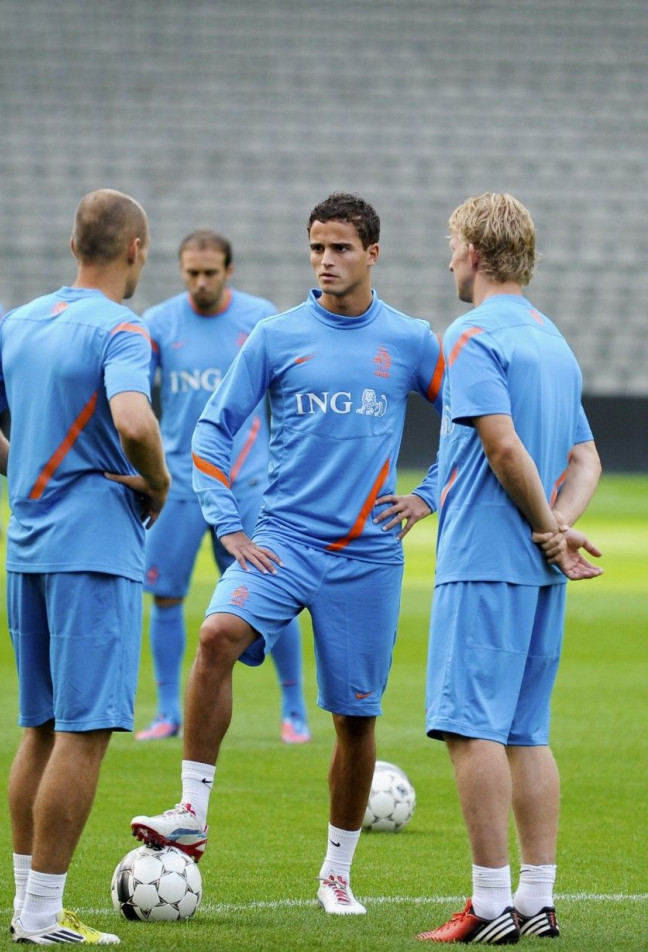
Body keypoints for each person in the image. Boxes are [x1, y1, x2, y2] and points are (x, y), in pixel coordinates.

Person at [130, 192, 444, 915]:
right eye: (315, 248)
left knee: (355, 721)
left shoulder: (410, 339)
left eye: (339, 248)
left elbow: (470, 416)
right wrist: (231, 526)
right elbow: (212, 435)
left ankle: (336, 873)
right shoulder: (275, 337)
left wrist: (430, 495)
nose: (325, 261)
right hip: (281, 543)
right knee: (214, 635)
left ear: (372, 254)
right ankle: (191, 814)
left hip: (367, 557)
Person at [0, 188, 170, 945]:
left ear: (75, 247)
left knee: (39, 728)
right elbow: (134, 420)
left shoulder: (24, 319)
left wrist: (20, 466)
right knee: (84, 731)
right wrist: (160, 484)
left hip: (29, 547)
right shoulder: (124, 330)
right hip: (95, 550)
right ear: (135, 250)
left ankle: (24, 905)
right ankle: (42, 915)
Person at [416, 193, 603, 944]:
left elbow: (502, 449)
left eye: (453, 246)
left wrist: (540, 527)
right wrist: (562, 532)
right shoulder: (553, 340)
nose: (450, 260)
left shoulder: (471, 334)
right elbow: (583, 458)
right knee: (527, 732)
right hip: (539, 570)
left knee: (472, 731)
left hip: (485, 560)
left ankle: (490, 905)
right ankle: (537, 898)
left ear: (476, 254)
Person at [137, 229, 309, 743]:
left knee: (272, 596)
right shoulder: (159, 324)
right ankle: (168, 711)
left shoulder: (260, 318)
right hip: (181, 484)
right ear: (181, 270)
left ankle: (294, 711)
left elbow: (288, 397)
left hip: (249, 486)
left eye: (210, 272)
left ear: (229, 271)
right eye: (192, 272)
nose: (201, 281)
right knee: (165, 595)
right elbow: (136, 401)